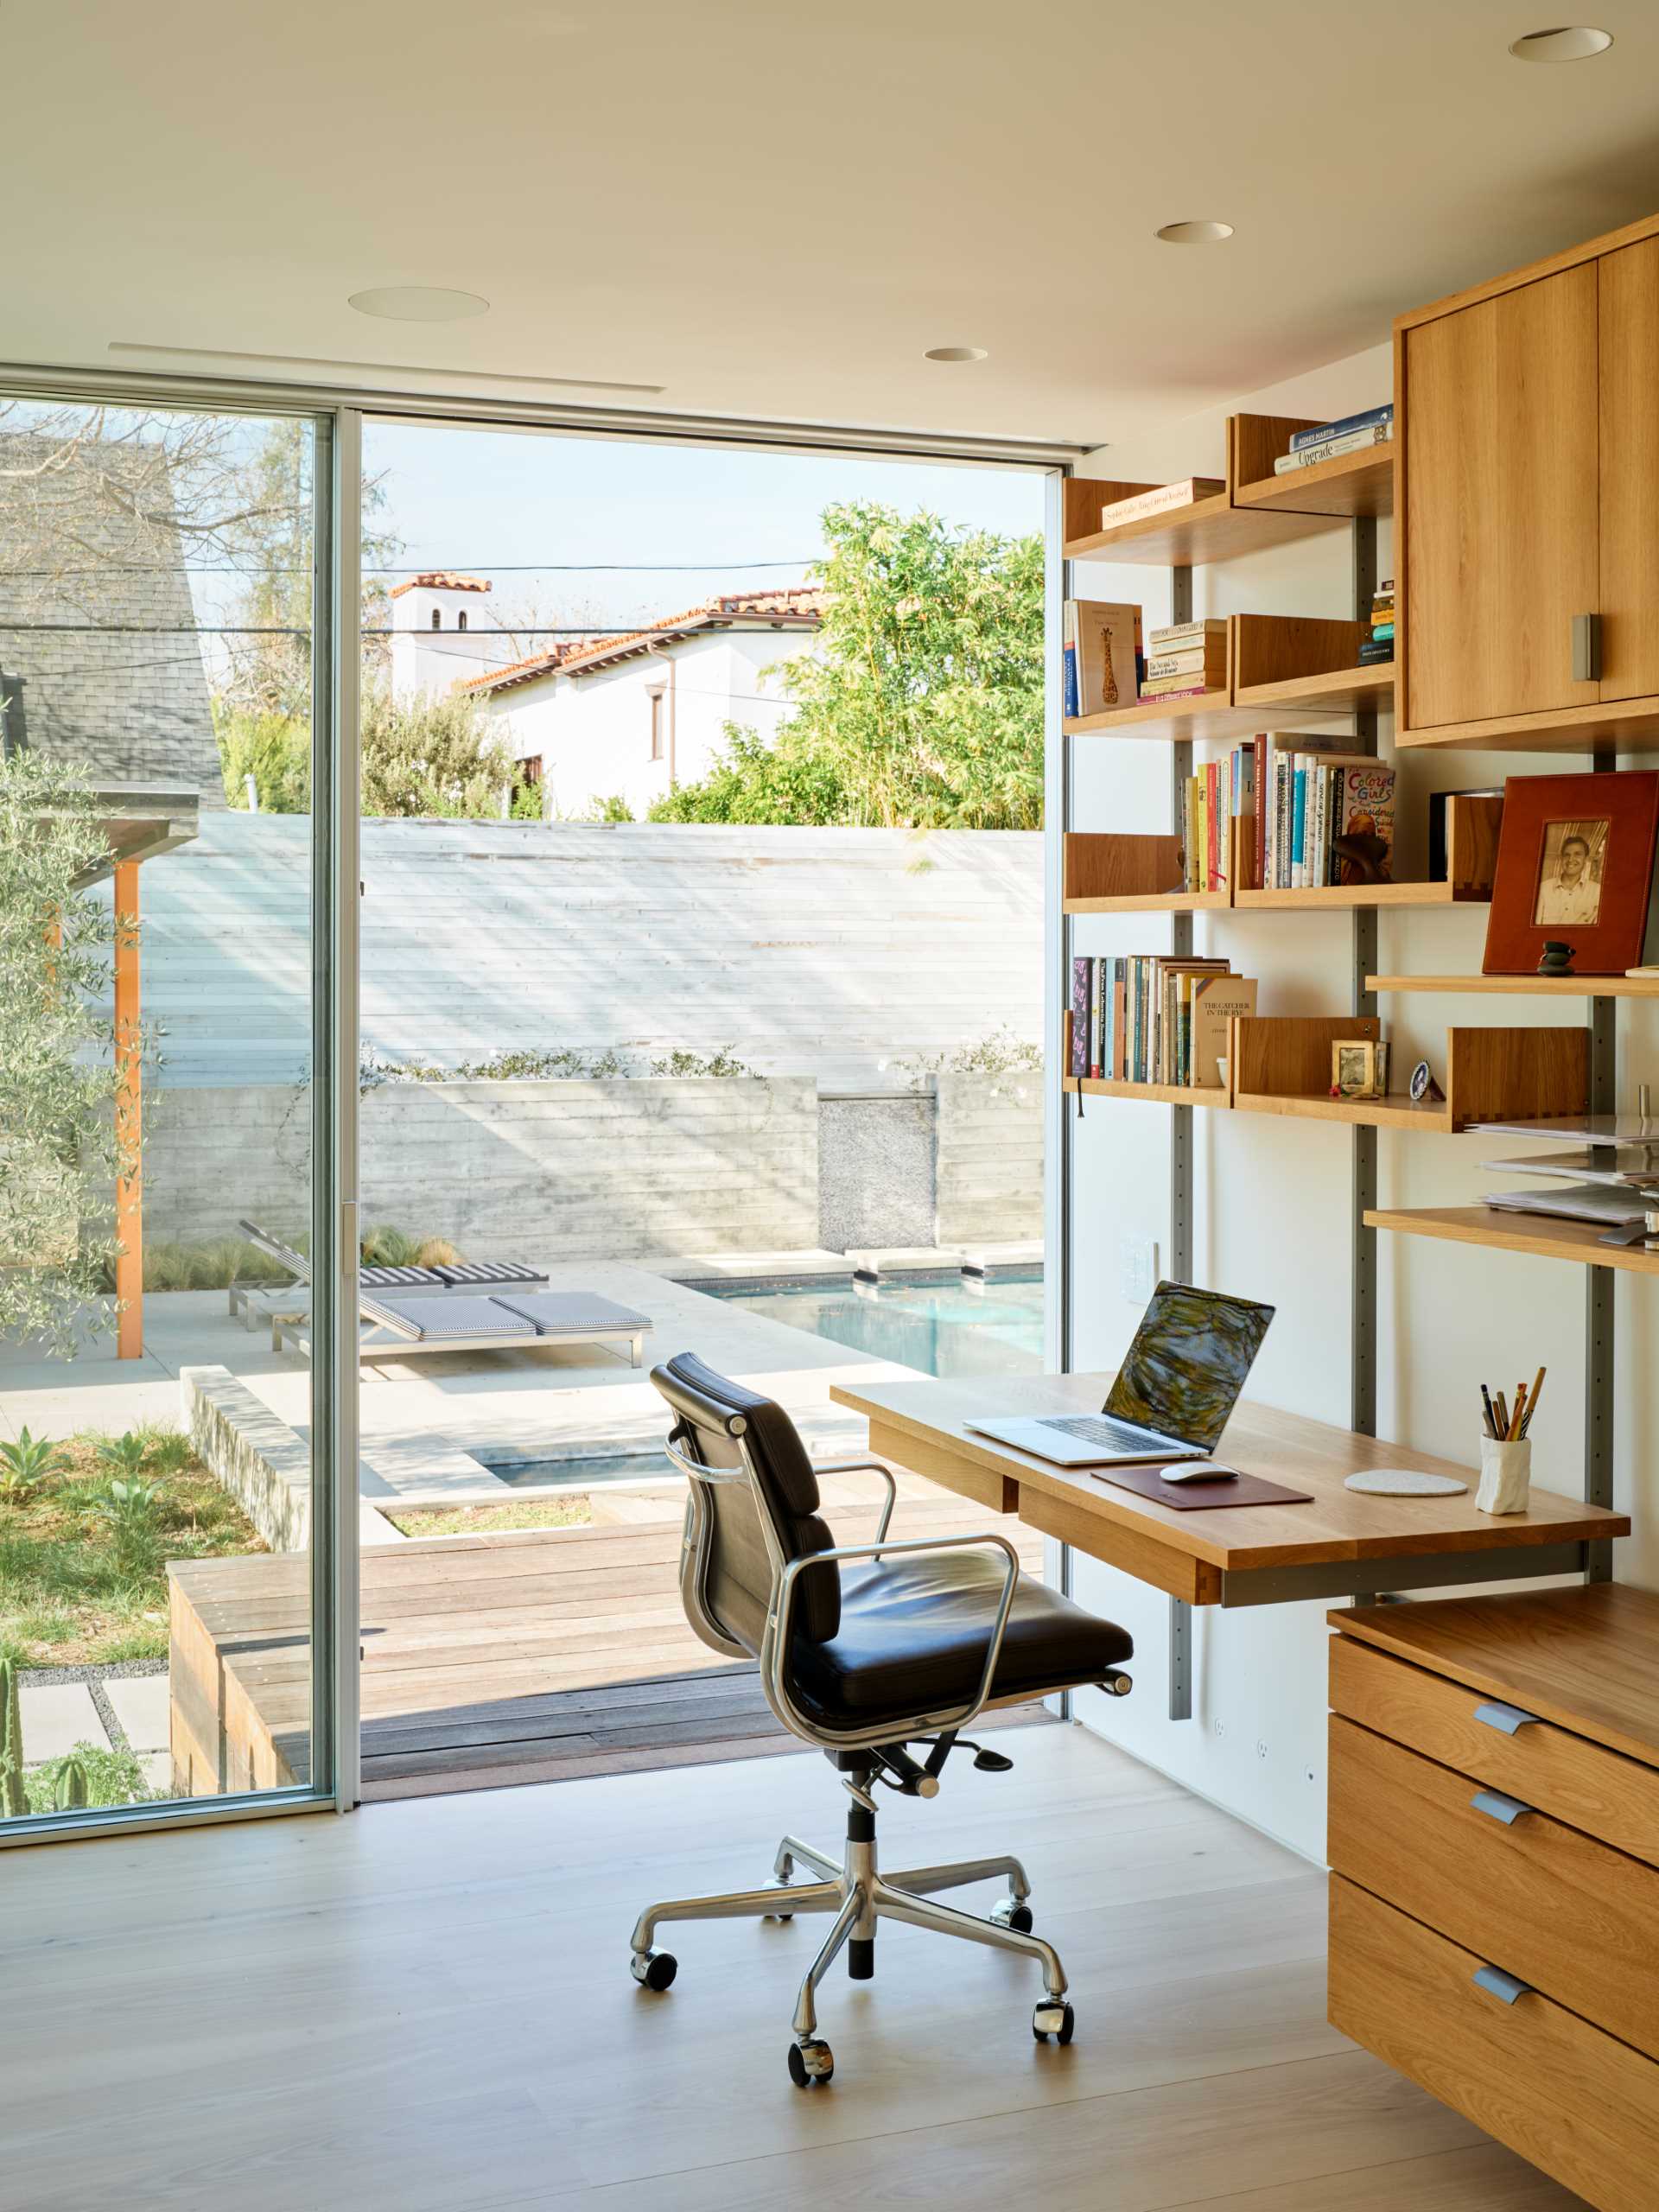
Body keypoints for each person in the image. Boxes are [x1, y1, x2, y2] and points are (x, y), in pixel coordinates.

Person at [1535, 830, 1603, 927]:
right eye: (1567, 855)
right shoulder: (1543, 889)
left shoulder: (1597, 892)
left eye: (1577, 854)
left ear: (1586, 860)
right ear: (1561, 859)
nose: (1571, 859)